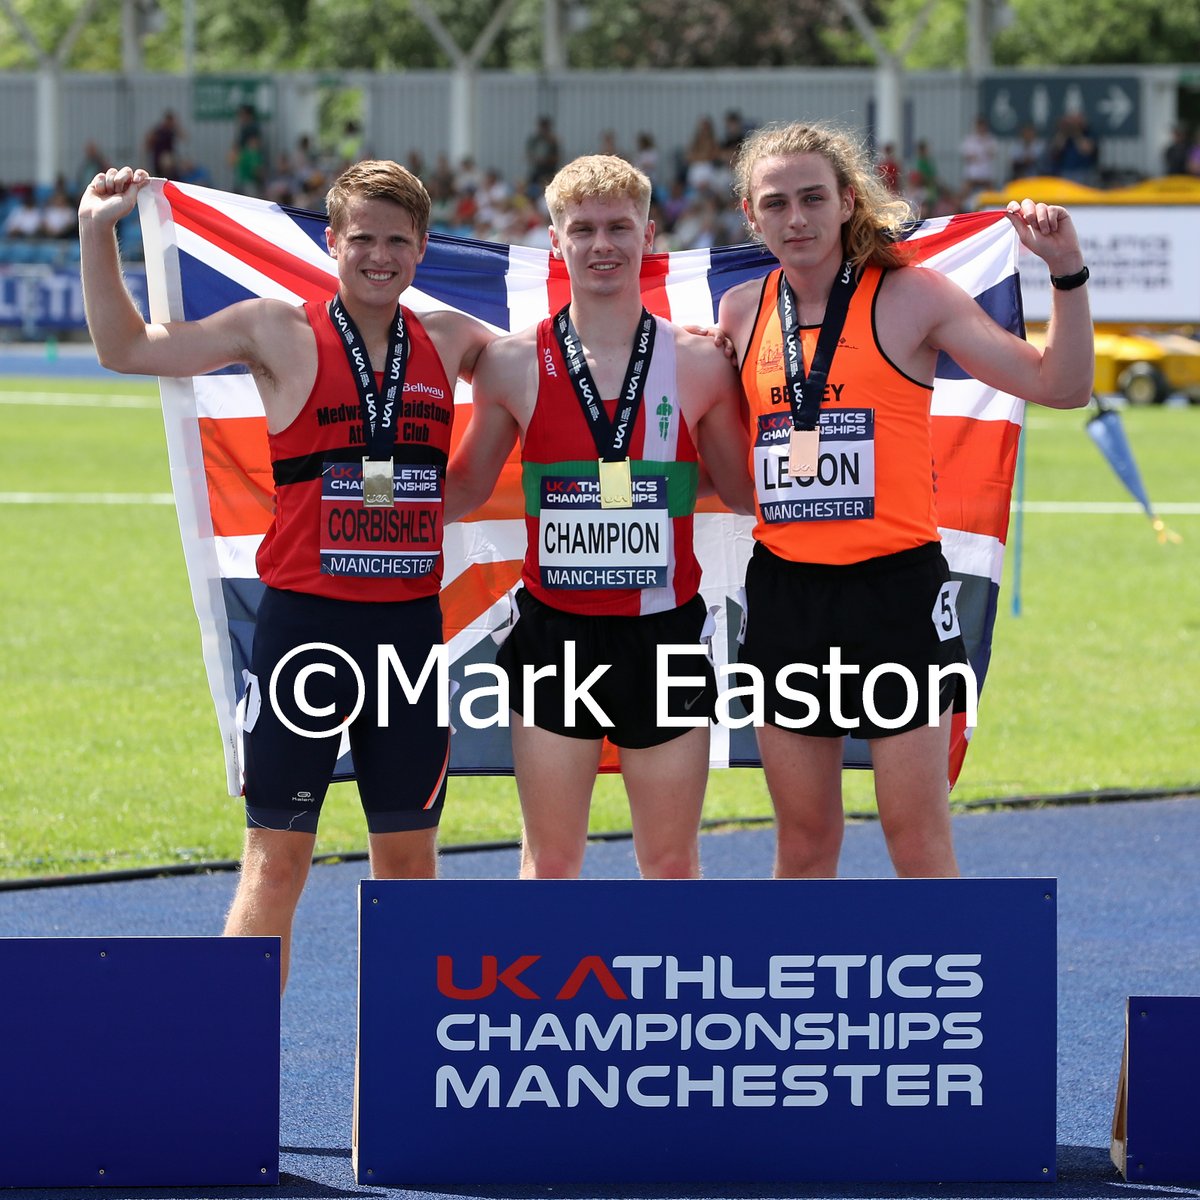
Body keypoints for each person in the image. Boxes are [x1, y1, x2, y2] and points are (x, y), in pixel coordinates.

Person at [78, 161, 494, 988]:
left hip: (407, 637)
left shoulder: (451, 340)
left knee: (409, 868)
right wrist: (98, 232)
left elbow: (563, 365)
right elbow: (126, 349)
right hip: (305, 631)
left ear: (419, 252)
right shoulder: (276, 329)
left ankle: (401, 1097)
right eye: (363, 239)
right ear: (332, 243)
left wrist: (677, 340)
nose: (379, 256)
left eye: (397, 242)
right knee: (275, 866)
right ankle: (234, 1085)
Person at [716, 121, 1094, 879]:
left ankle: (942, 998)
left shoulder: (912, 293)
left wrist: (1067, 272)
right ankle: (798, 998)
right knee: (804, 840)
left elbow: (1062, 385)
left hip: (897, 593)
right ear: (752, 219)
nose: (797, 220)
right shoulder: (739, 311)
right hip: (787, 595)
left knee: (915, 839)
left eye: (814, 198)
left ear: (849, 200)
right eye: (777, 204)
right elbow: (733, 472)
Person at [445, 155, 753, 880]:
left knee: (672, 863)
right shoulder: (511, 363)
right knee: (551, 863)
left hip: (665, 633)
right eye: (582, 229)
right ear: (554, 240)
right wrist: (344, 486)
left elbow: (740, 492)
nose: (602, 244)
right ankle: (543, 998)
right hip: (555, 633)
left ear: (650, 234)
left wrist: (654, 489)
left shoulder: (700, 362)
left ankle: (673, 999)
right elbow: (462, 491)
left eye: (619, 227)